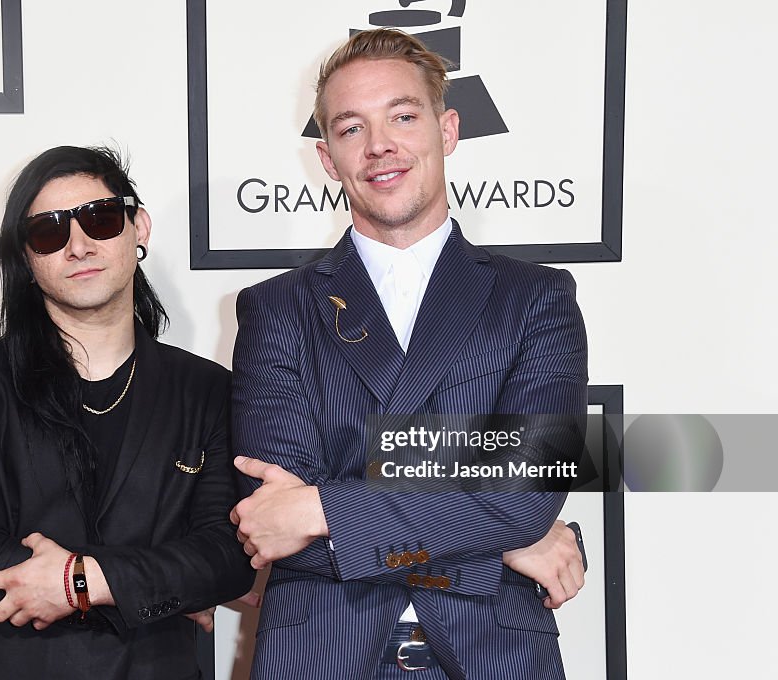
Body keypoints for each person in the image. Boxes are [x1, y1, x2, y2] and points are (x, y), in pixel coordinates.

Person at [229, 29, 589, 680]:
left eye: (402, 116)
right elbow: (271, 524)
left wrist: (321, 507)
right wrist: (499, 550)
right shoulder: (277, 309)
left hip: (495, 658)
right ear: (328, 158)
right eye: (351, 129)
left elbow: (524, 499)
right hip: (319, 657)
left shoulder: (536, 298)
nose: (380, 146)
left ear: (446, 130)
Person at [0, 145, 254, 679]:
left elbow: (223, 558)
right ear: (27, 258)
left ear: (138, 227)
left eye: (99, 219)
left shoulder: (207, 390)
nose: (78, 245)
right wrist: (156, 585)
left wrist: (82, 582)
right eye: (49, 232)